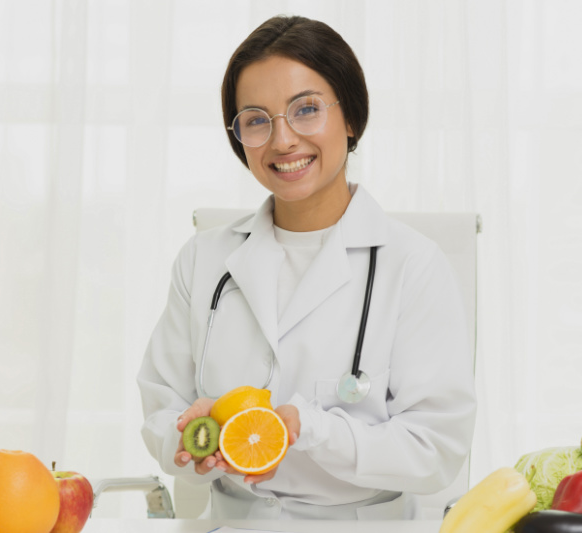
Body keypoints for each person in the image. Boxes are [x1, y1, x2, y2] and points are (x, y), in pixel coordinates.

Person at [137, 15, 476, 520]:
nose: (283, 140)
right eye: (256, 119)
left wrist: (309, 429)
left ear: (352, 118)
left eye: (306, 110)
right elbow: (162, 406)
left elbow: (435, 448)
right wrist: (190, 440)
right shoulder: (203, 259)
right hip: (232, 523)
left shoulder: (414, 265)